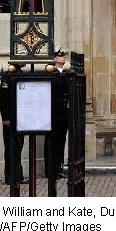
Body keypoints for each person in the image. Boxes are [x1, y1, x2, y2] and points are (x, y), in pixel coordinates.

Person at [44, 46, 69, 180]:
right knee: (52, 143)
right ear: (54, 58)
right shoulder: (51, 74)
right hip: (53, 115)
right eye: (60, 56)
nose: (63, 57)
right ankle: (51, 170)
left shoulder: (64, 74)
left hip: (63, 115)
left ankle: (58, 168)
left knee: (61, 142)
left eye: (63, 55)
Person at [0, 64, 25, 186]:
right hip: (10, 118)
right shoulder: (7, 76)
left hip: (21, 117)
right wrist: (5, 117)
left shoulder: (22, 75)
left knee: (19, 146)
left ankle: (18, 175)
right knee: (10, 147)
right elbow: (3, 98)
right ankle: (10, 176)